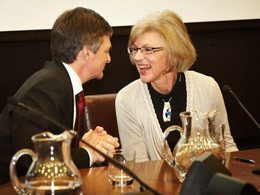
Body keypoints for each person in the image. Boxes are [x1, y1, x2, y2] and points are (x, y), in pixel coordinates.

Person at [0, 7, 119, 185]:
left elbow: (52, 148)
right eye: (106, 51)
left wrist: (80, 145)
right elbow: (32, 158)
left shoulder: (60, 81)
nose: (109, 59)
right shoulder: (48, 87)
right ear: (87, 53)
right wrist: (88, 153)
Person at [115, 10, 238, 163]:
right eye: (135, 49)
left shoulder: (207, 87)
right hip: (155, 185)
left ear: (174, 51)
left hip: (205, 183)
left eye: (148, 49)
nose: (137, 57)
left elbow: (226, 145)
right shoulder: (127, 99)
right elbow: (139, 165)